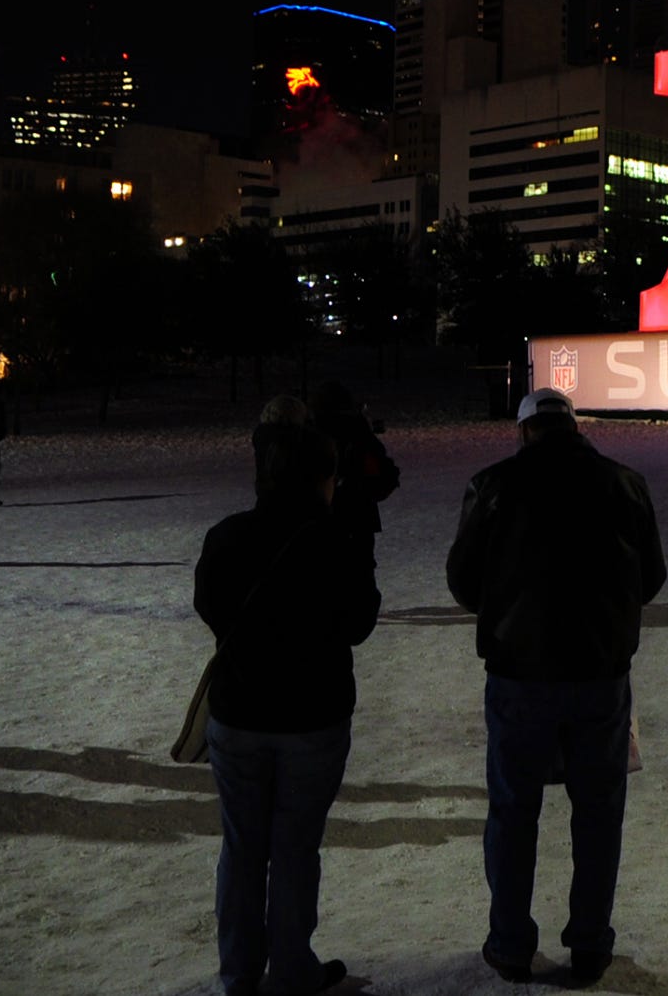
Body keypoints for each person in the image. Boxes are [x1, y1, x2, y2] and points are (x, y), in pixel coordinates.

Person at [446, 388, 667, 987]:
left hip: (519, 673)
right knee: (598, 813)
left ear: (524, 432)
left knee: (514, 811)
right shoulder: (624, 482)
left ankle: (511, 943)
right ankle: (591, 943)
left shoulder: (493, 485)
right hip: (600, 674)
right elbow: (652, 577)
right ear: (574, 426)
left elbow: (463, 581)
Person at [194, 417, 379, 996]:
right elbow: (359, 624)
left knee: (242, 848)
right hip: (311, 718)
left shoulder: (226, 536)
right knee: (295, 849)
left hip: (239, 714)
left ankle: (239, 973)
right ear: (323, 479)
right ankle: (292, 968)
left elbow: (211, 609)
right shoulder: (335, 541)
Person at [311, 378, 400, 567]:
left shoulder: (308, 433)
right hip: (356, 518)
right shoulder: (358, 433)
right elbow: (384, 476)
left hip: (316, 521)